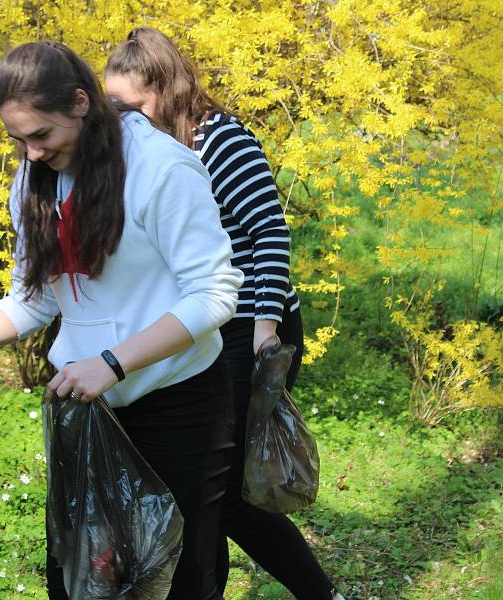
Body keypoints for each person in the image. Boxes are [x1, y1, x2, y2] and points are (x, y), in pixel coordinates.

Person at [0, 41, 244, 600]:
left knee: (179, 580)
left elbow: (214, 296)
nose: (31, 153)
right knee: (81, 578)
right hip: (89, 413)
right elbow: (33, 301)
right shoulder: (35, 179)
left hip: (180, 404)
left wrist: (113, 364)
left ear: (81, 103)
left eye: (41, 135)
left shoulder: (162, 168)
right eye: (17, 140)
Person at [105, 27, 345, 600]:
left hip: (250, 325)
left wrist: (265, 328)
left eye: (132, 105)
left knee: (228, 493)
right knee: (201, 486)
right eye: (113, 106)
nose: (122, 117)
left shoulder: (219, 139)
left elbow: (267, 235)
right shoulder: (142, 149)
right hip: (200, 330)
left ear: (165, 87)